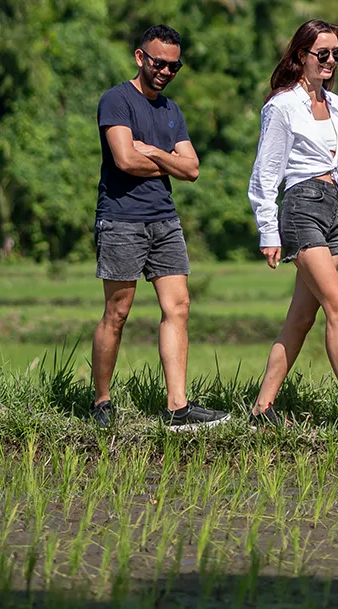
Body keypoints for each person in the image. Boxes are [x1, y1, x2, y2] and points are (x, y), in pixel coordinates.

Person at [244, 19, 338, 436]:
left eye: (336, 54)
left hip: (331, 208)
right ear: (300, 55)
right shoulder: (282, 106)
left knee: (301, 318)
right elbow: (265, 174)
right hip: (302, 207)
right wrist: (268, 231)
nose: (330, 61)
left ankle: (261, 409)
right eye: (322, 54)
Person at [90, 23, 228, 433]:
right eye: (159, 63)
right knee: (118, 312)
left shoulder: (171, 111)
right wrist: (169, 161)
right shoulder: (116, 100)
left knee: (178, 307)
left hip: (164, 220)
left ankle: (177, 407)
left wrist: (151, 151)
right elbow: (124, 161)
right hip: (121, 219)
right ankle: (101, 400)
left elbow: (193, 169)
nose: (166, 71)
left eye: (174, 66)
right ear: (140, 57)